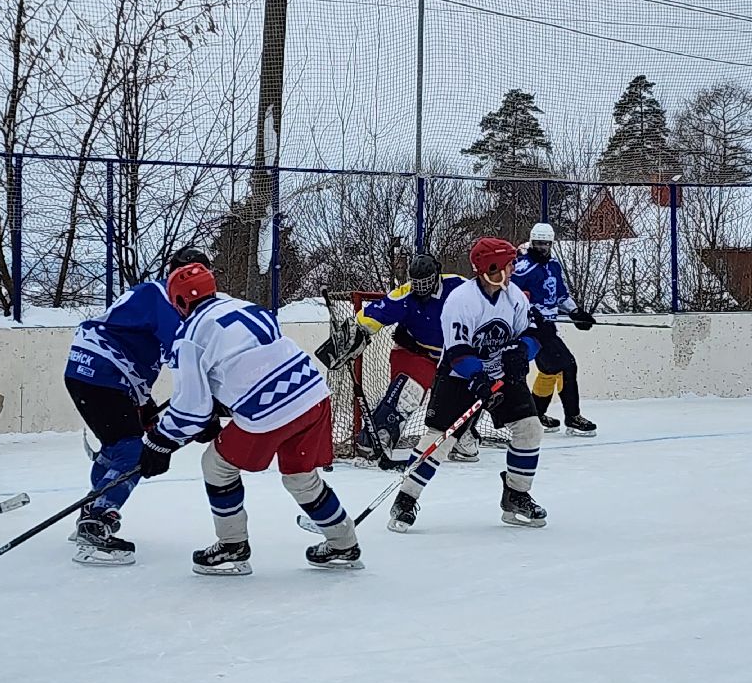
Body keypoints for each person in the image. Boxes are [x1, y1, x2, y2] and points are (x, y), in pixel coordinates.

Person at [138, 262, 362, 572]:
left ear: (178, 301)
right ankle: (343, 542)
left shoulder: (189, 334)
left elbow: (191, 408)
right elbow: (257, 361)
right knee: (301, 476)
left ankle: (232, 545)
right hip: (312, 395)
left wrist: (160, 442)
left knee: (216, 466)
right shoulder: (249, 308)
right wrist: (220, 403)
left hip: (269, 411)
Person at [386, 237, 548, 533]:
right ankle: (406, 499)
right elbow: (458, 352)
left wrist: (523, 351)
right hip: (460, 377)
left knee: (529, 428)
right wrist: (479, 378)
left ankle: (516, 495)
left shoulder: (514, 296)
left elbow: (535, 331)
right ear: (490, 268)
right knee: (440, 438)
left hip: (502, 376)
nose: (512, 269)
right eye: (507, 264)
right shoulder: (461, 301)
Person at [63, 245, 211, 564]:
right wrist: (206, 408)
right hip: (103, 373)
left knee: (117, 446)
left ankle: (92, 513)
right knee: (131, 449)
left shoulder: (152, 292)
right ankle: (96, 524)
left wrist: (144, 403)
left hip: (89, 370)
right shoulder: (168, 299)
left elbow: (136, 345)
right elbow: (184, 360)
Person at [346, 252, 481, 463]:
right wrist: (356, 330)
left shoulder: (459, 287)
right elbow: (378, 311)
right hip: (414, 352)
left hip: (452, 356)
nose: (421, 287)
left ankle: (461, 436)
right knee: (410, 390)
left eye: (426, 281)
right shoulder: (407, 294)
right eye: (417, 282)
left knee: (469, 389)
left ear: (437, 275)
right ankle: (380, 435)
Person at [511, 222, 597, 436]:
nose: (541, 248)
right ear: (531, 242)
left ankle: (537, 415)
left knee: (550, 369)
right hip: (530, 330)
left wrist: (576, 312)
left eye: (546, 244)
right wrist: (532, 315)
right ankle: (573, 417)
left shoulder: (554, 266)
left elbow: (560, 296)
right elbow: (512, 297)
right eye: (538, 243)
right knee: (568, 365)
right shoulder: (522, 268)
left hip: (548, 327)